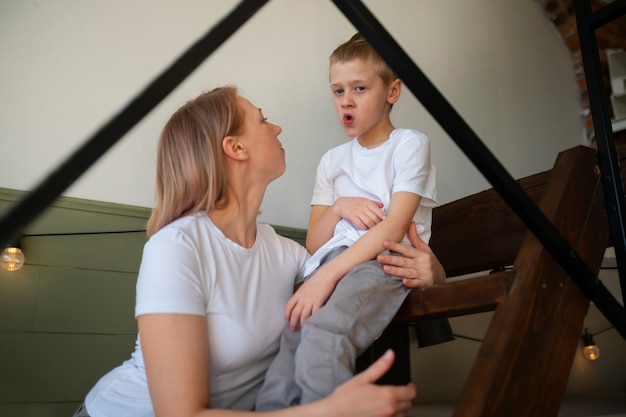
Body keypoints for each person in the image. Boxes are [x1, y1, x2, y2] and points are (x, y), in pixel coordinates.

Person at [73, 85, 445, 417]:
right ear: (235, 148)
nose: (277, 127)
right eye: (263, 120)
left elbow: (356, 269)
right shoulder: (176, 247)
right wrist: (327, 411)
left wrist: (432, 272)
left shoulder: (284, 253)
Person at [256, 33, 438, 409]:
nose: (347, 101)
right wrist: (340, 206)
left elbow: (391, 229)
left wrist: (325, 277)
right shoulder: (332, 161)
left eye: (360, 87)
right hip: (329, 263)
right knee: (291, 339)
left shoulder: (409, 145)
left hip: (380, 261)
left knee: (324, 333)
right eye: (338, 91)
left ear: (393, 91)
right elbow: (314, 242)